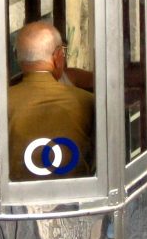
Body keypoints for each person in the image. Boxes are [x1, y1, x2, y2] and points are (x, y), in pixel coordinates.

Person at [8, 21, 94, 180]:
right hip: (77, 197)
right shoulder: (87, 102)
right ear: (57, 56)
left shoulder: (1, 103)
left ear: (18, 58)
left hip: (15, 200)